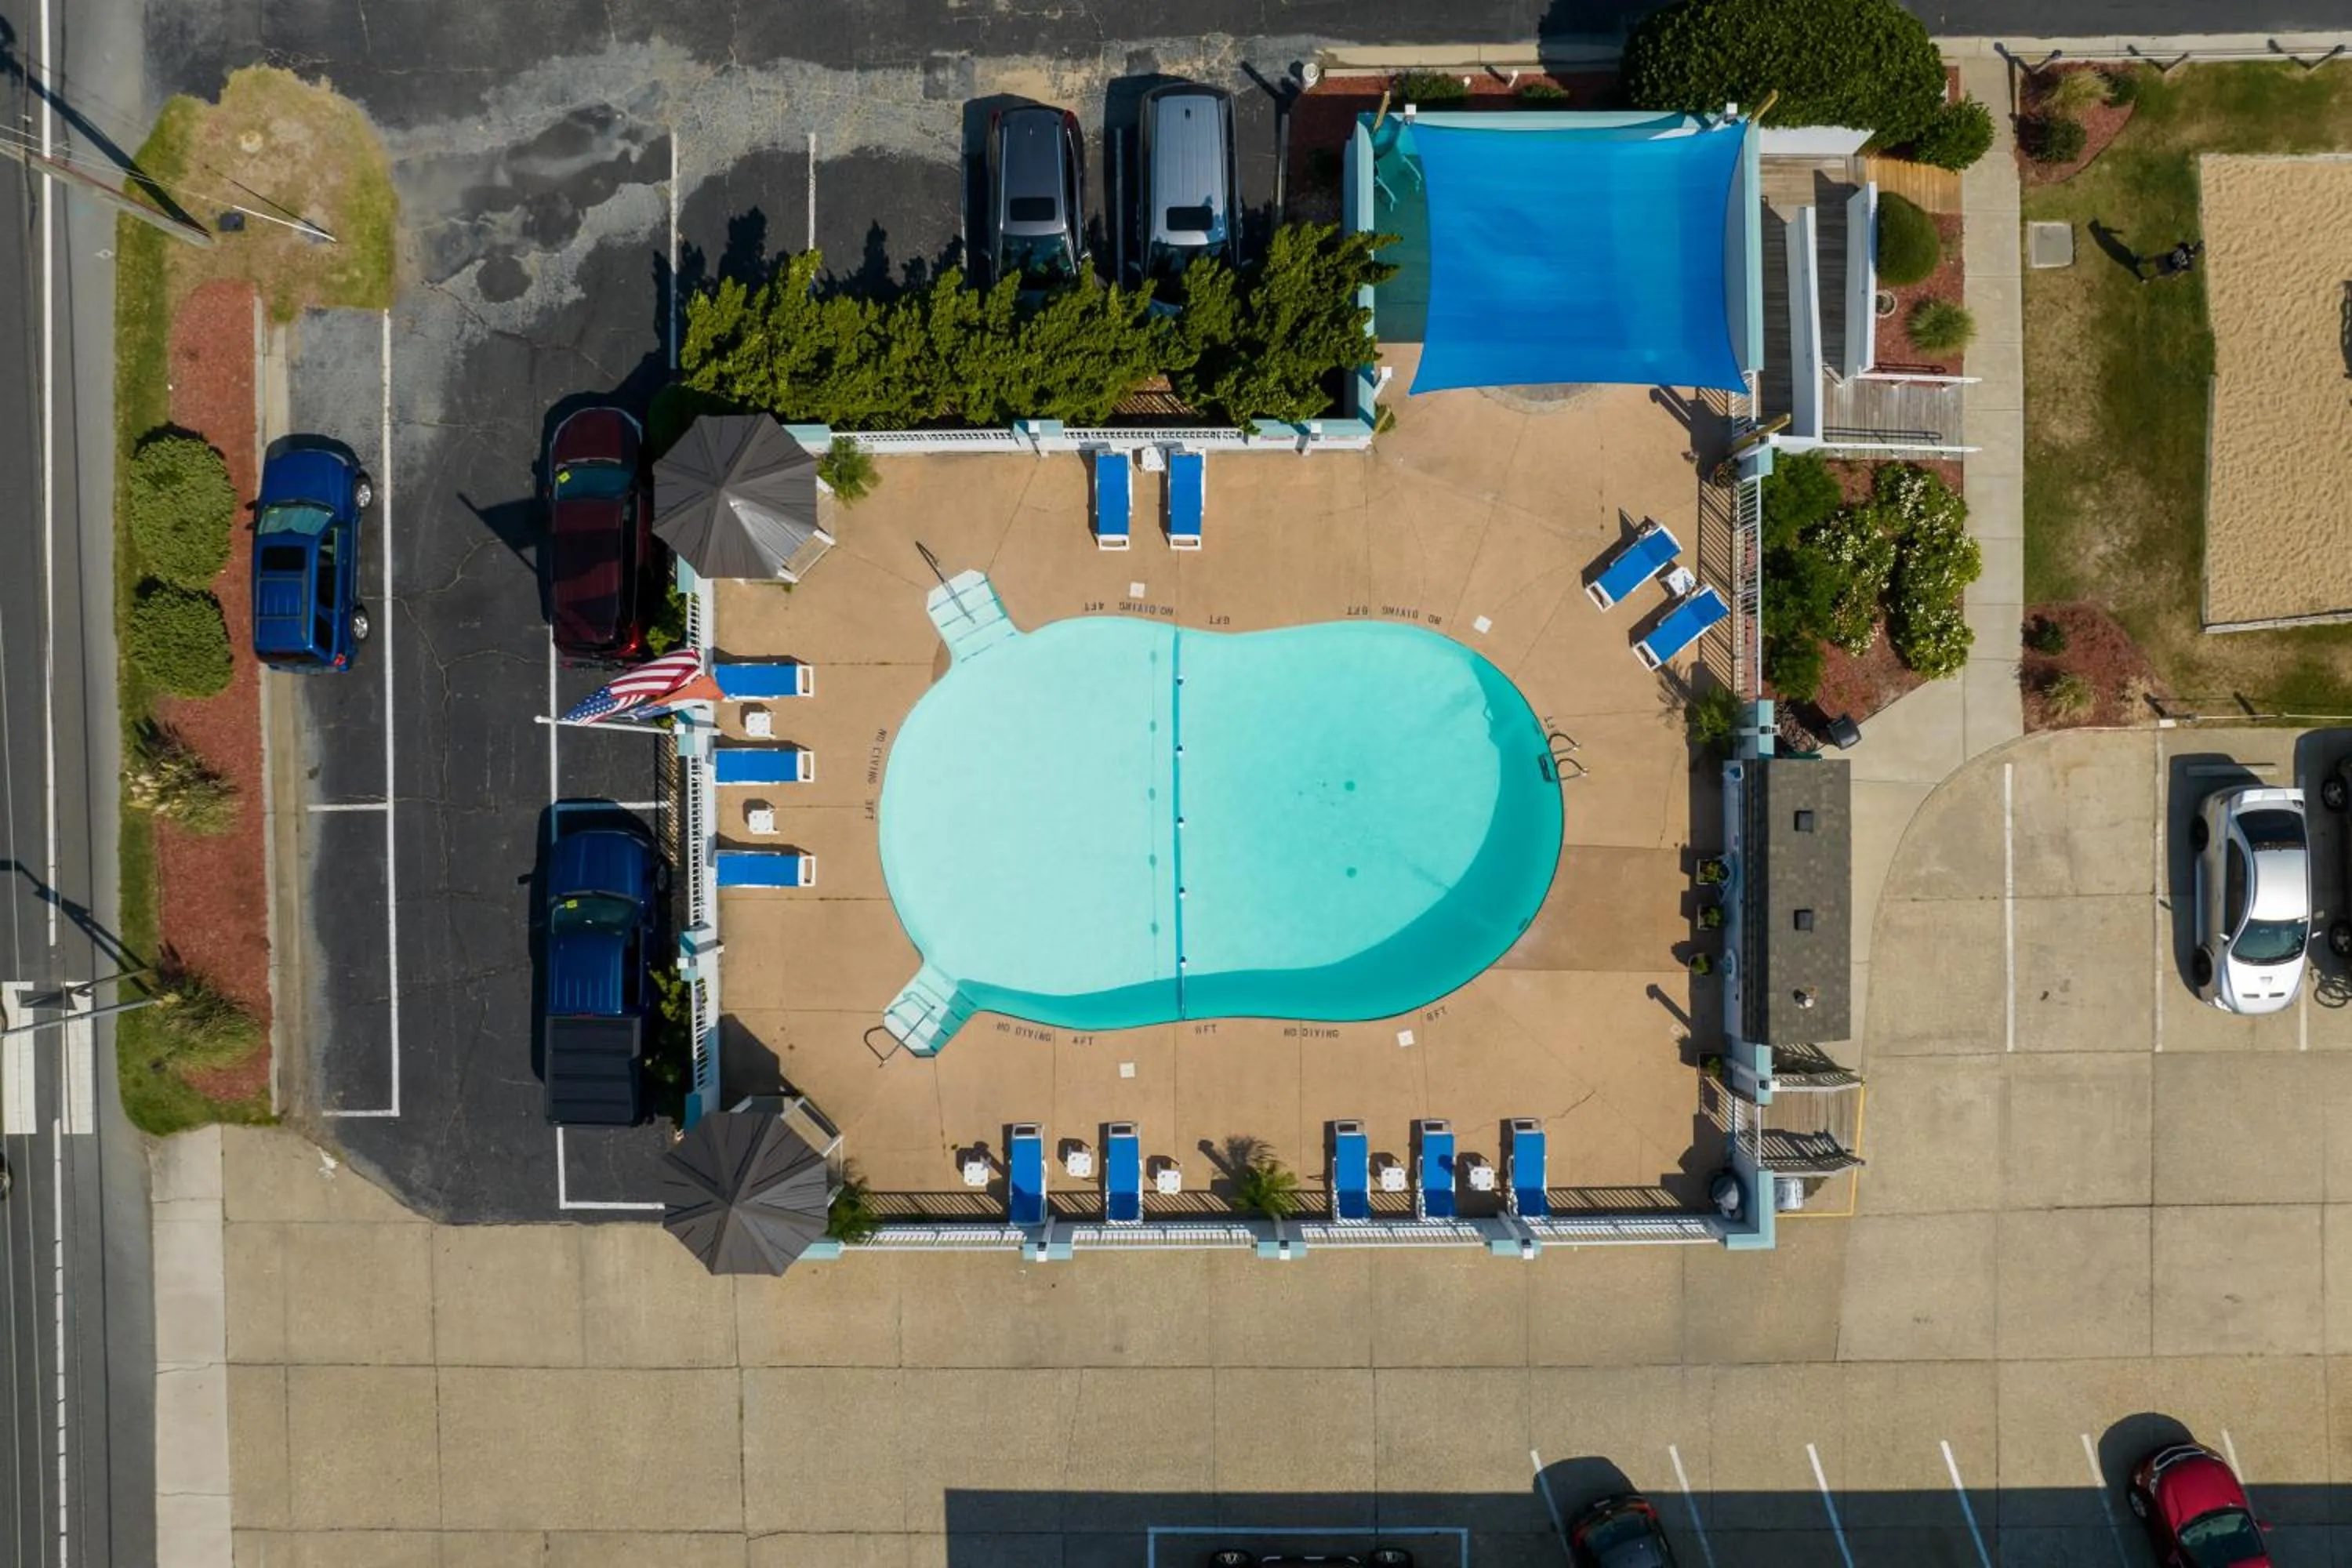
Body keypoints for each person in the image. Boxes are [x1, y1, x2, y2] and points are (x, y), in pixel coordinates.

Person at [2140, 239, 2204, 283]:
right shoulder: (2191, 263)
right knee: (2158, 275)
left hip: (2167, 258)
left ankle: (2142, 262)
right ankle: (2146, 280)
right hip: (2171, 268)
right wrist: (2176, 277)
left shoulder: (2186, 247)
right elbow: (2182, 271)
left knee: (2154, 259)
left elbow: (2176, 245)